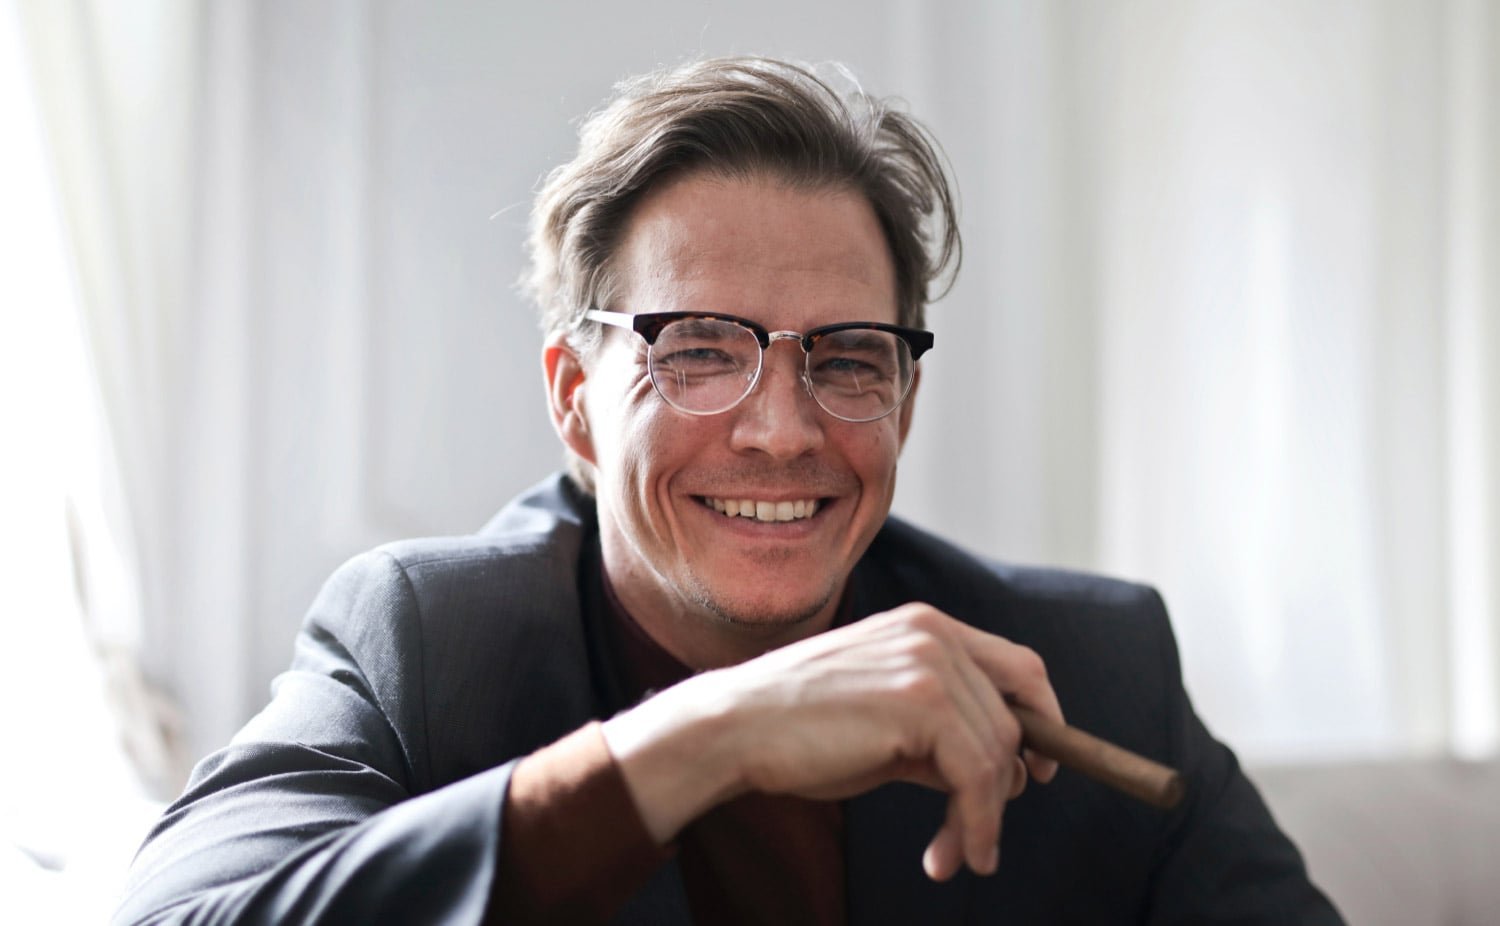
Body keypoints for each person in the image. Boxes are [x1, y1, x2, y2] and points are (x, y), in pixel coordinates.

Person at [115, 56, 1343, 925]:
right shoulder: (424, 642)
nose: (780, 430)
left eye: (848, 358)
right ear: (574, 398)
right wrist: (721, 732)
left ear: (905, 400)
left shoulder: (1098, 667)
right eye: (699, 349)